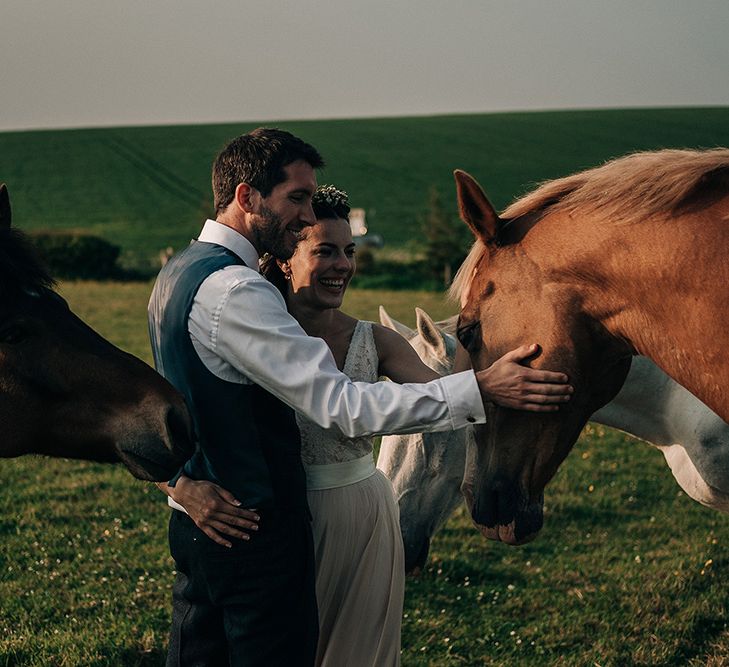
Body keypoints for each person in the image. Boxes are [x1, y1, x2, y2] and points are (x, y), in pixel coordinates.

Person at [148, 127, 572, 667]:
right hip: (258, 532)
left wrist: (180, 484)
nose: (305, 216)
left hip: (229, 530)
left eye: (346, 250)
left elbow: (161, 411)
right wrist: (479, 388)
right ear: (246, 197)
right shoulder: (240, 292)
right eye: (296, 199)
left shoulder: (180, 273)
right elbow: (343, 406)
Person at [167, 184, 448, 666]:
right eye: (325, 251)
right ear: (283, 260)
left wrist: (481, 381)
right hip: (279, 520)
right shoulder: (247, 332)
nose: (343, 265)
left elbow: (437, 397)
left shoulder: (374, 340)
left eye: (349, 252)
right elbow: (163, 421)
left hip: (363, 517)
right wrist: (179, 486)